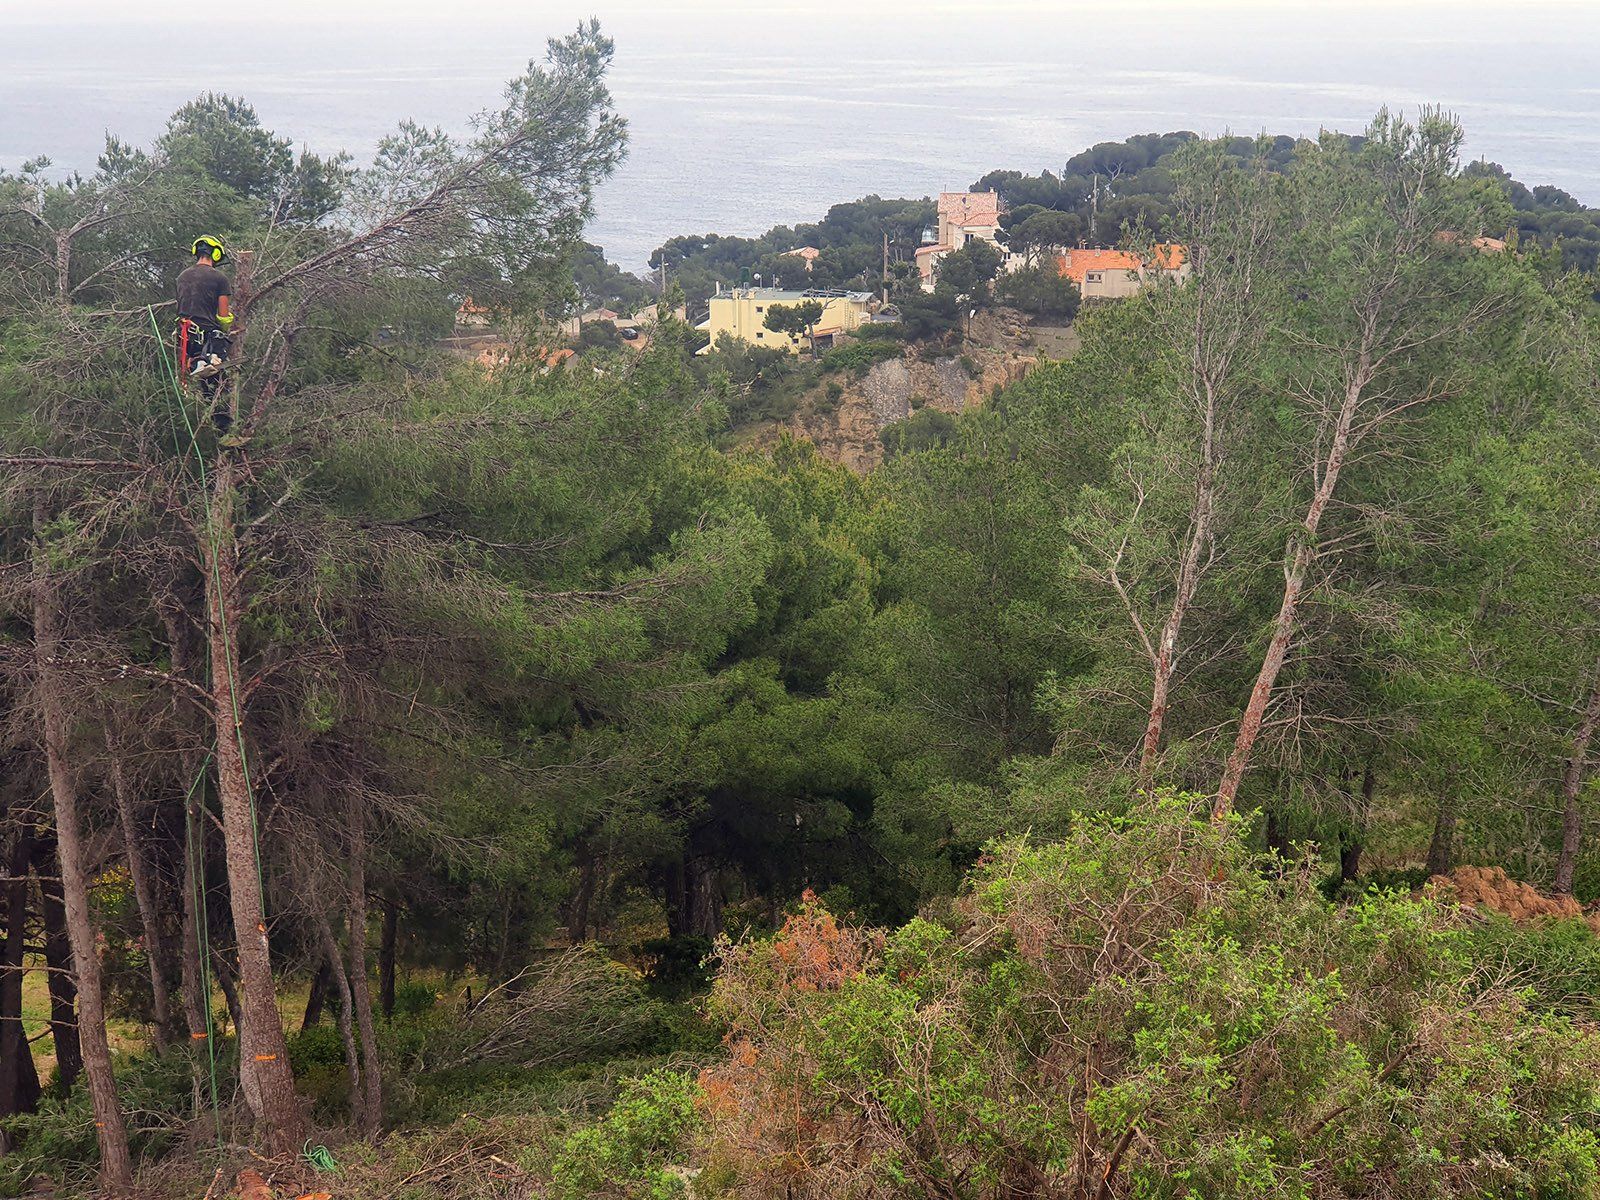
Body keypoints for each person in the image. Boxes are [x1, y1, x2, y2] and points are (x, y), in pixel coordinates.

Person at [175, 236, 237, 417]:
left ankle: (197, 419)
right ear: (216, 253)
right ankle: (223, 430)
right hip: (208, 337)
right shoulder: (220, 278)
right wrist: (227, 329)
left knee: (190, 384)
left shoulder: (181, 277)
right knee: (218, 388)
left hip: (185, 337)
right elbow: (223, 316)